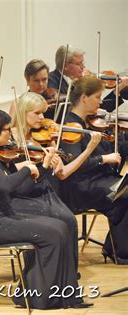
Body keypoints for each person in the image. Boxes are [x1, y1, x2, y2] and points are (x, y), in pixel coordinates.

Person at [0, 108, 91, 309]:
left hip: (3, 215)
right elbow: (7, 185)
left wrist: (43, 166)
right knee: (52, 234)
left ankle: (69, 295)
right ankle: (41, 297)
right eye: (7, 130)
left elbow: (18, 185)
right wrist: (26, 168)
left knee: (63, 227)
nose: (11, 133)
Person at [10, 92, 102, 274]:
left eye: (43, 113)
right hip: (22, 196)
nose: (43, 118)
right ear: (23, 113)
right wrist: (36, 163)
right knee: (61, 220)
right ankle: (49, 271)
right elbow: (9, 172)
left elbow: (63, 173)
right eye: (37, 113)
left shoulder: (44, 139)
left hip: (46, 194)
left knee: (69, 221)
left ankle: (67, 271)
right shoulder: (12, 139)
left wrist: (88, 150)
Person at [59, 75, 128, 264]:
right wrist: (104, 158)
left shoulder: (87, 121)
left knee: (124, 192)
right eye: (97, 97)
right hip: (81, 186)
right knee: (124, 196)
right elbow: (76, 165)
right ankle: (119, 251)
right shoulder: (71, 126)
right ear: (83, 98)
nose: (101, 102)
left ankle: (115, 247)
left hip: (98, 180)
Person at [48, 45, 128, 116]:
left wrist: (117, 90)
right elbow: (64, 104)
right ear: (65, 66)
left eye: (83, 63)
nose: (83, 67)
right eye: (79, 64)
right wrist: (81, 86)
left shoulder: (76, 80)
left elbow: (100, 107)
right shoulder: (51, 79)